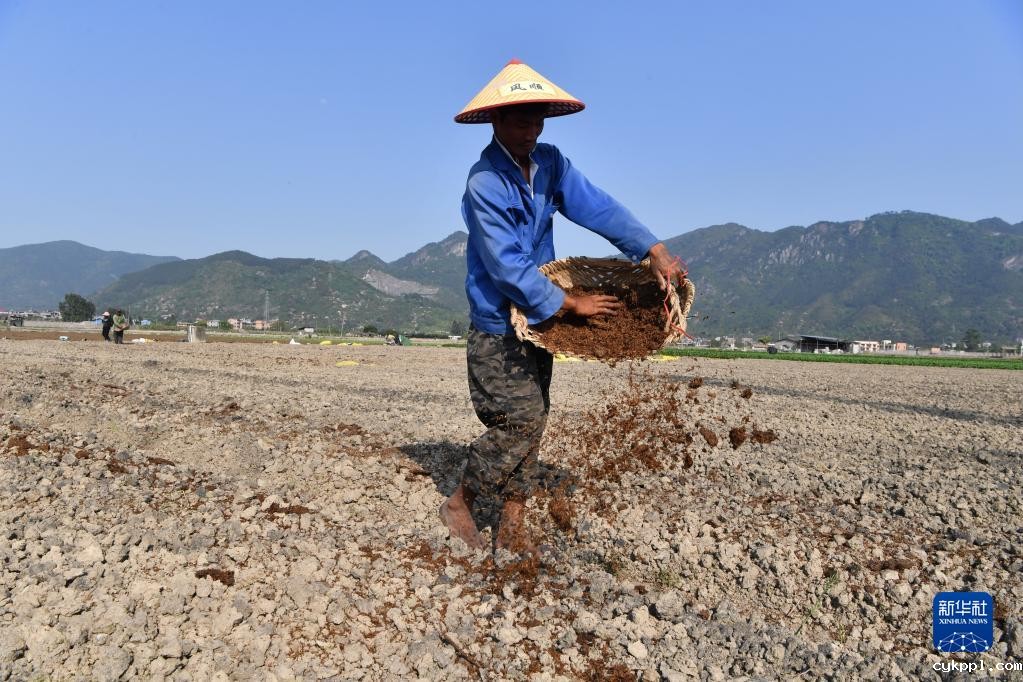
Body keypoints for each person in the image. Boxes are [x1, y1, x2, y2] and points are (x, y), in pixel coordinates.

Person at [441, 60, 688, 554]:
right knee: (520, 420)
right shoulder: (484, 183)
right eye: (521, 122)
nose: (531, 132)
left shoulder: (550, 163)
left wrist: (652, 249)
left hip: (541, 324)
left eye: (538, 122)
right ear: (496, 121)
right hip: (499, 322)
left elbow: (597, 206)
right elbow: (506, 265)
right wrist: (568, 302)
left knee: (536, 419)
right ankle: (461, 501)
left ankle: (513, 518)